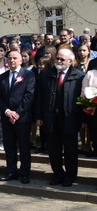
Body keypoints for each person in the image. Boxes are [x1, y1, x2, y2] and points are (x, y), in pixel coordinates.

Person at [35, 48, 84, 187]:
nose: (59, 61)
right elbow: (39, 97)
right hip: (51, 117)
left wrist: (82, 119)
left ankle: (70, 176)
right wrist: (38, 115)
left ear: (70, 61)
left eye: (62, 59)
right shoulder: (47, 75)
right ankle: (57, 174)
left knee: (70, 150)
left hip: (70, 118)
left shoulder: (78, 76)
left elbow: (83, 99)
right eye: (58, 58)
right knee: (54, 149)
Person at [0, 50, 36, 184]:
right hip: (7, 117)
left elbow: (29, 96)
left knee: (24, 147)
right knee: (9, 146)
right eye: (10, 58)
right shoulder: (2, 77)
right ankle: (11, 172)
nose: (12, 60)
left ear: (21, 60)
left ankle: (25, 173)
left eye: (15, 58)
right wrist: (7, 112)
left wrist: (17, 113)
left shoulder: (29, 75)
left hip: (22, 118)